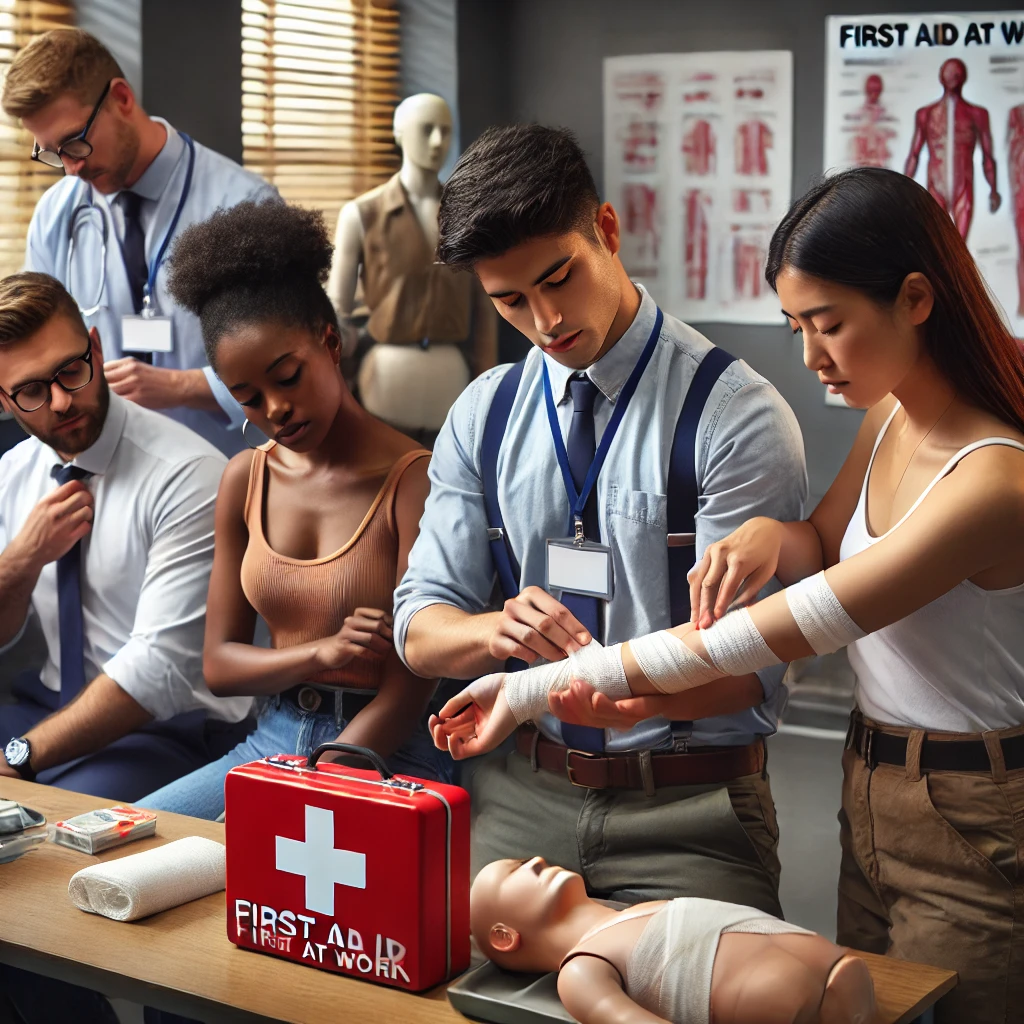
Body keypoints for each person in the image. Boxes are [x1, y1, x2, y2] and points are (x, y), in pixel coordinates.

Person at [435, 167, 1024, 1024]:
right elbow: (822, 549)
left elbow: (798, 626)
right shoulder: (891, 412)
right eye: (797, 327)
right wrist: (772, 539)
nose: (812, 356)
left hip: (973, 807)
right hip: (873, 780)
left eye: (830, 325)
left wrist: (526, 688)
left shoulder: (995, 481)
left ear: (917, 299)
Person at [395, 124, 808, 915]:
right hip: (518, 792)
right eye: (510, 300)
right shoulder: (483, 415)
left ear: (607, 232)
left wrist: (623, 694)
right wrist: (494, 635)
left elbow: (746, 668)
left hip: (690, 808)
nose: (545, 320)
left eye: (559, 278)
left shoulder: (734, 415)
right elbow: (416, 628)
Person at [139, 199, 453, 823]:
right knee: (130, 849)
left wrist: (310, 789)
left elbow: (412, 684)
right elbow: (220, 666)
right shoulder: (245, 480)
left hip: (390, 751)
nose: (274, 410)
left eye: (287, 377)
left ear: (329, 342)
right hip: (273, 739)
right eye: (248, 397)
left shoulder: (414, 479)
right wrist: (320, 653)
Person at [0, 271, 253, 796]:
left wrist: (20, 757)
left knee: (57, 834)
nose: (62, 402)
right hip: (48, 706)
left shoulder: (188, 475)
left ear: (94, 347)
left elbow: (159, 670)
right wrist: (19, 564)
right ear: (3, 401)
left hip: (165, 728)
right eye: (30, 391)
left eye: (71, 371)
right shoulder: (13, 473)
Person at [1, 28, 278, 455]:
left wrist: (182, 386)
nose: (70, 169)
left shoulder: (245, 206)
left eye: (76, 142)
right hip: (111, 476)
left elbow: (281, 364)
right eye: (52, 152)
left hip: (226, 472)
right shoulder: (56, 215)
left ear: (122, 99)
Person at [472, 856, 876, 1024]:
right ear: (504, 937)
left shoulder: (624, 912)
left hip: (818, 958)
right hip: (773, 994)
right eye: (517, 871)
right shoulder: (578, 971)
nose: (537, 861)